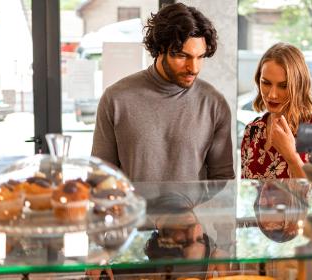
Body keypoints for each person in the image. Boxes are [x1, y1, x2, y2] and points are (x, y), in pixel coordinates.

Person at [92, 3, 234, 182]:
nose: (194, 68)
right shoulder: (116, 99)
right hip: (134, 210)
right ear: (160, 48)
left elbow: (223, 179)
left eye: (200, 57)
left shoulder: (214, 103)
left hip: (192, 210)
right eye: (183, 56)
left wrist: (197, 209)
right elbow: (100, 175)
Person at [241, 43, 312, 179]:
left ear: (299, 85)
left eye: (283, 86)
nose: (272, 95)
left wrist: (291, 156)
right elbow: (247, 191)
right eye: (266, 83)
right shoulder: (253, 130)